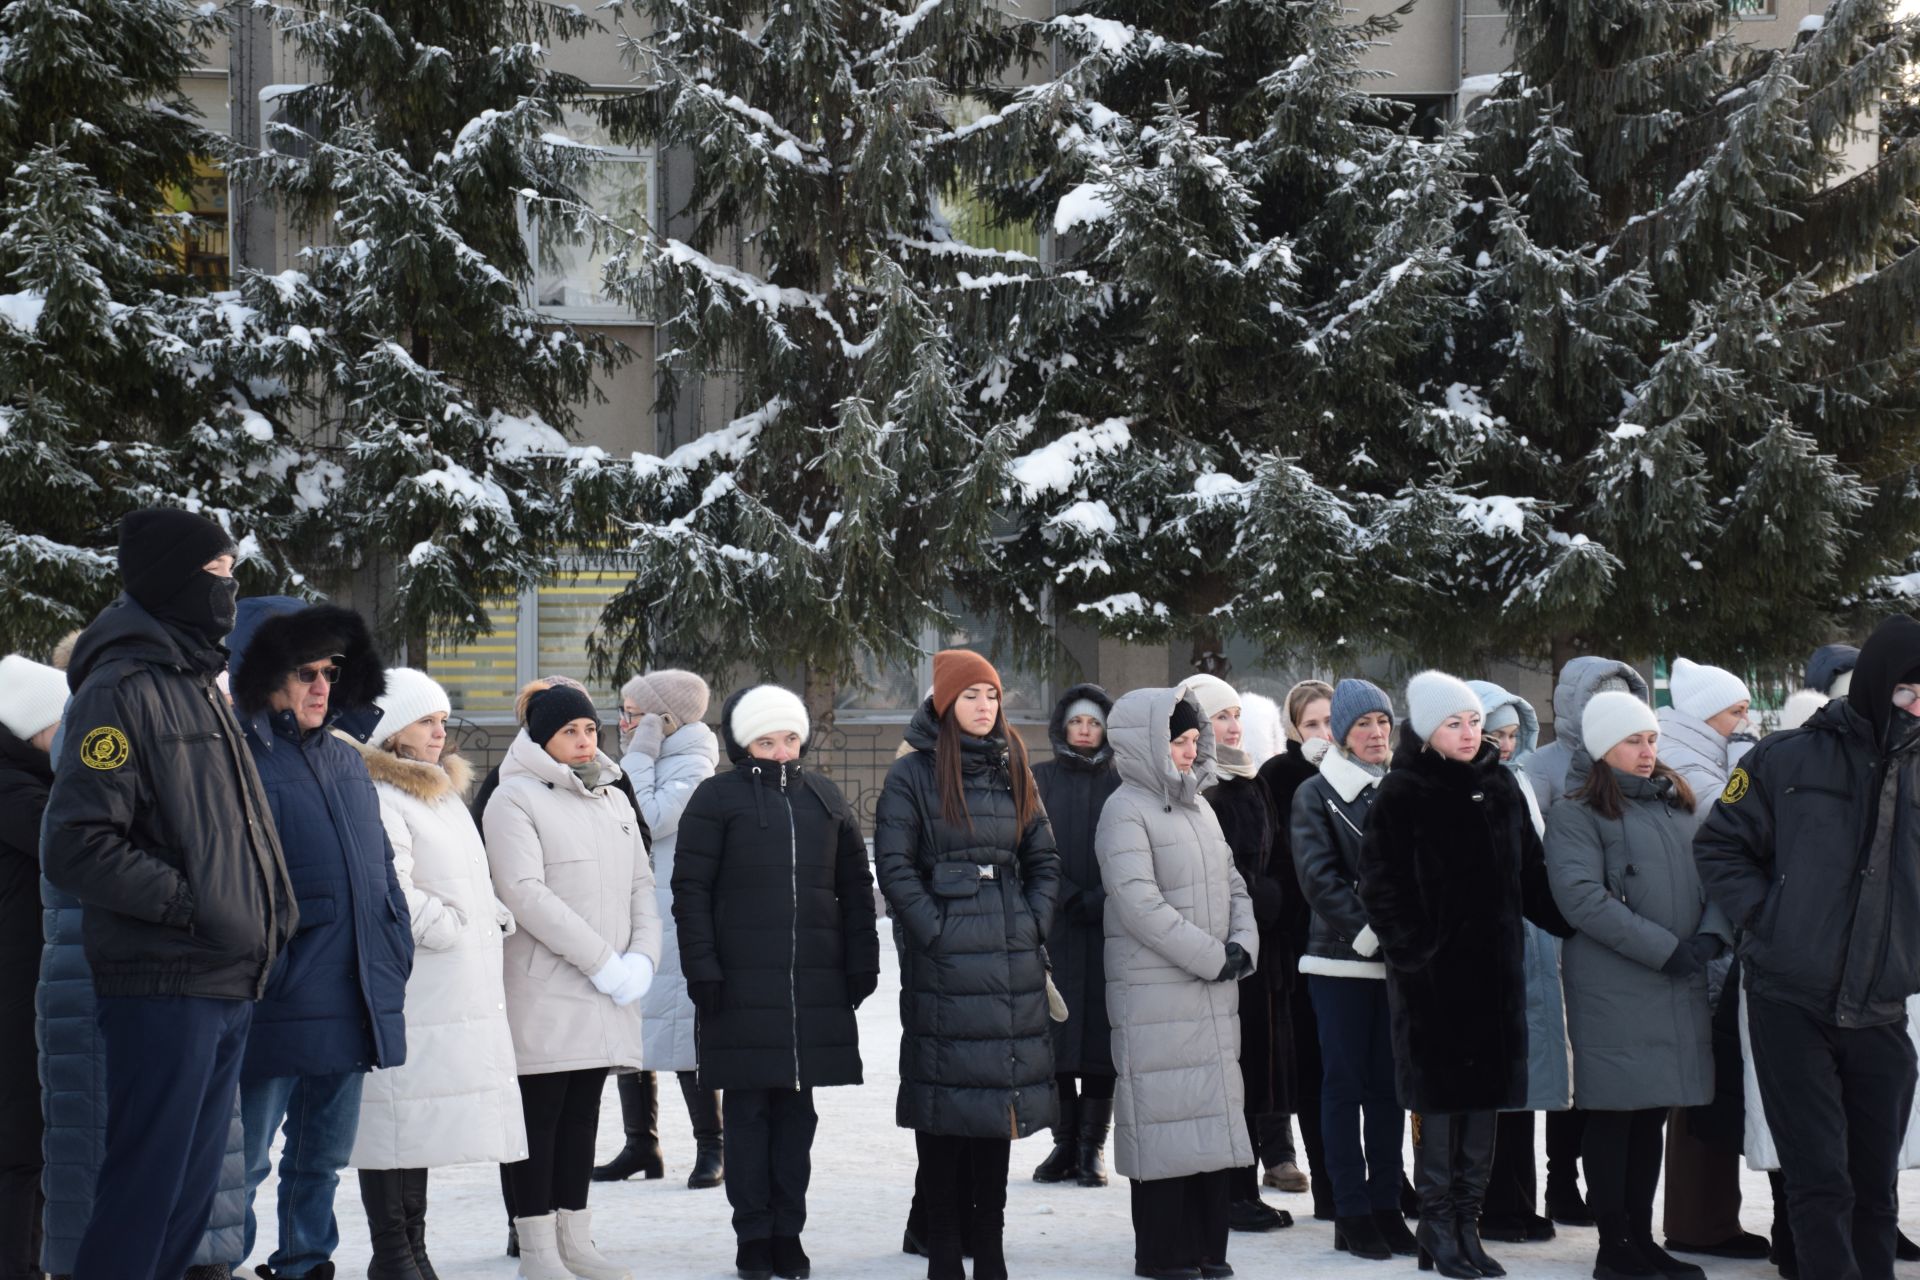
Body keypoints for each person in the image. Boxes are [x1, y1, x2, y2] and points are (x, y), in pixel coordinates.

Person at [40, 510, 299, 1280]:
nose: (230, 589)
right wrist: (196, 906)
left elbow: (238, 826)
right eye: (219, 573)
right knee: (144, 1193)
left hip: (221, 975)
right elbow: (78, 843)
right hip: (164, 978)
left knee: (186, 1203)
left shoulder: (198, 685)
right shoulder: (119, 690)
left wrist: (271, 917)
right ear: (175, 581)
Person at [1696, 614, 1920, 1280]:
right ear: (1879, 685)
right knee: (1821, 1181)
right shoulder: (1785, 757)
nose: (1919, 707)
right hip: (1790, 997)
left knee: (1875, 1189)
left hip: (1881, 1005)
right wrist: (1766, 920)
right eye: (1911, 692)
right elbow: (1720, 844)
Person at [1358, 670, 1572, 1280]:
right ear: (1427, 731)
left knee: (1485, 1108)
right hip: (1434, 986)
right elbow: (1380, 884)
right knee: (1443, 1105)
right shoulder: (1404, 792)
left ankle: (1466, 1225)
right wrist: (1416, 951)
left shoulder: (1501, 785)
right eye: (1454, 722)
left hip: (1495, 980)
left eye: (1474, 720)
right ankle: (1437, 1222)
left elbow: (1531, 874)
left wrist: (1574, 923)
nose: (1469, 731)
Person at [225, 598, 414, 1280]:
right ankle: (218, 1264)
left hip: (350, 990)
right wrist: (266, 966)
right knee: (241, 1162)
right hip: (272, 997)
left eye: (329, 671)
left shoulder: (345, 760)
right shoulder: (234, 757)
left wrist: (393, 949)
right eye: (302, 671)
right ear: (262, 673)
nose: (320, 686)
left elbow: (382, 873)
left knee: (322, 1159)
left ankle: (305, 1262)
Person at [673, 684, 880, 1280]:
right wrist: (703, 969)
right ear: (743, 744)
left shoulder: (825, 798)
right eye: (767, 740)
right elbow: (690, 893)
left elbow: (854, 891)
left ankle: (788, 1231)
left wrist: (860, 960)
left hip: (812, 986)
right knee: (747, 1117)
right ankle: (752, 1237)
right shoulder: (715, 800)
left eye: (790, 739)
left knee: (797, 1118)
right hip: (738, 988)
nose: (781, 752)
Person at [875, 649, 1060, 1280]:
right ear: (944, 701)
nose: (985, 708)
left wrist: (1032, 921)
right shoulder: (914, 774)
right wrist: (936, 932)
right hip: (946, 965)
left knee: (995, 1112)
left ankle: (992, 1248)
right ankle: (945, 1249)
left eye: (992, 696)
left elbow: (1044, 858)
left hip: (1011, 958)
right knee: (946, 1108)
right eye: (971, 696)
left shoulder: (1015, 765)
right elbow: (896, 868)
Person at [343, 668, 528, 1280]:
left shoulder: (438, 792)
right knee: (393, 1114)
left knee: (415, 1119)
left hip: (447, 982)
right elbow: (388, 884)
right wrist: (449, 926)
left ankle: (413, 1252)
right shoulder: (376, 792)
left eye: (443, 720)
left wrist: (488, 914)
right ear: (393, 729)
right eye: (427, 720)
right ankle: (393, 1254)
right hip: (412, 980)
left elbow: (463, 876)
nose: (439, 732)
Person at [1546, 691, 1731, 1280]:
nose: (1648, 751)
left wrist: (1710, 937)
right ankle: (1613, 1245)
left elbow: (1716, 877)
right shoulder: (1577, 813)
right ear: (1603, 749)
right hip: (1613, 988)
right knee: (1614, 1115)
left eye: (1651, 738)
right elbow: (1581, 900)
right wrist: (1667, 950)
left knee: (1650, 1112)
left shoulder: (1677, 806)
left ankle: (1641, 1239)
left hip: (1674, 985)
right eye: (1633, 740)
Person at [485, 681, 662, 1280]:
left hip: (604, 988)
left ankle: (574, 1238)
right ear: (542, 738)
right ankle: (536, 1251)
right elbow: (524, 894)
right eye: (570, 732)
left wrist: (642, 958)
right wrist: (603, 961)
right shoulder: (514, 800)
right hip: (545, 986)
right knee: (540, 1118)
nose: (585, 741)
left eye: (590, 730)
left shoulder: (611, 797)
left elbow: (643, 883)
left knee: (583, 1114)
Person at [1096, 686, 1257, 1280]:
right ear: (1146, 744)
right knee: (1166, 1120)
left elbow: (1234, 882)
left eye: (1194, 741)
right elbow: (1138, 904)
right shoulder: (1125, 810)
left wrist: (1243, 945)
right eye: (1178, 741)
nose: (1189, 753)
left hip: (1212, 988)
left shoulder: (1201, 807)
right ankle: (1166, 1255)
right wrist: (1212, 956)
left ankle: (1208, 1249)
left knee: (1208, 1120)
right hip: (1156, 992)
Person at [1522, 656, 1648, 1227]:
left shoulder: (1640, 766)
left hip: (1625, 930)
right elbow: (1538, 844)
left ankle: (1600, 1193)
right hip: (1562, 928)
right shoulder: (1542, 765)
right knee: (1568, 1069)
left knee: (1602, 1074)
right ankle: (1560, 1181)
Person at [1652, 660, 1770, 1261]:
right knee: (1699, 1088)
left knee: (1708, 1084)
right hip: (1702, 936)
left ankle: (1707, 1217)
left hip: (1713, 933)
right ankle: (1700, 1222)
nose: (1744, 719)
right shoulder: (1692, 762)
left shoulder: (1706, 754)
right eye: (1734, 710)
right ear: (1704, 715)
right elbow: (1721, 826)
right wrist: (1747, 769)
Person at [1289, 677, 1410, 1262]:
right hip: (1341, 962)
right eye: (1363, 724)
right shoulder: (1317, 794)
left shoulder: (1404, 789)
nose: (1376, 733)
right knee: (1343, 1088)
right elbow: (1318, 877)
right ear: (1341, 733)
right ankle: (1351, 1211)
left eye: (1383, 722)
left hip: (1401, 965)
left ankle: (1387, 1205)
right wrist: (1370, 936)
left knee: (1390, 1091)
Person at [595, 670, 724, 1191]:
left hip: (675, 912)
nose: (622, 723)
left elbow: (644, 816)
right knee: (634, 1028)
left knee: (679, 1030)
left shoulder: (694, 764)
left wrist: (640, 756)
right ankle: (641, 1144)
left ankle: (712, 1146)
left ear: (662, 721)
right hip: (637, 906)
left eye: (632, 713)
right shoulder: (648, 758)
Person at [1182, 674, 1292, 1236]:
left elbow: (1274, 855)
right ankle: (1226, 1191)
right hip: (1224, 951)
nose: (1228, 725)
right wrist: (1259, 895)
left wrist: (1273, 893)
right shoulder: (1201, 787)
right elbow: (1208, 873)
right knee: (1226, 1074)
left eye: (1233, 715)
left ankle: (1245, 1186)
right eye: (1216, 715)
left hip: (1262, 951)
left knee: (1255, 1074)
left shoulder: (1251, 778)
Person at [1466, 679, 1569, 1247]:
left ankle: (1518, 1200)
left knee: (1525, 1081)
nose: (1504, 744)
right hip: (1490, 944)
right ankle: (1490, 1204)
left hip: (1530, 940)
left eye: (1511, 733)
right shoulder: (1470, 786)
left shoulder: (1519, 781)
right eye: (1493, 732)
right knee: (1494, 1084)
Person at [1028, 683, 1122, 1188]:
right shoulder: (1037, 779)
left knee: (1103, 1039)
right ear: (1063, 726)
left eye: (1095, 724)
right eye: (1077, 723)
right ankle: (1063, 1144)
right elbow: (1028, 844)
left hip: (1112, 927)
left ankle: (1092, 1147)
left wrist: (1105, 896)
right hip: (1056, 924)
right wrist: (1064, 894)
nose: (1085, 732)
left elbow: (1136, 849)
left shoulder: (1125, 780)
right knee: (1058, 1035)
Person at [1256, 680, 1336, 1211]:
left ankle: (1381, 1176)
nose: (1324, 734)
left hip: (1359, 943)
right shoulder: (1278, 776)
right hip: (1301, 943)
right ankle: (1324, 1177)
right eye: (1312, 724)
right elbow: (1273, 860)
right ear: (1292, 728)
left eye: (1331, 722)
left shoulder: (1367, 774)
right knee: (1309, 1065)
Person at [0, 655, 67, 1280]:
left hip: (29, 982)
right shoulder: (15, 788)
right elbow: (66, 840)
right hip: (16, 990)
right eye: (61, 725)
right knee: (20, 1146)